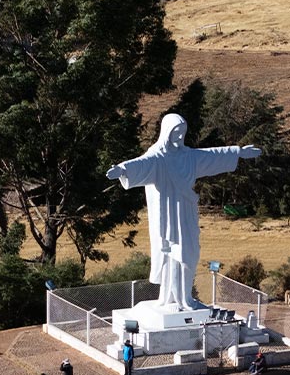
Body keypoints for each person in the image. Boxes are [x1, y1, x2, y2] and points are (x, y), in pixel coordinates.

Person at [106, 114, 261, 310]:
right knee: (172, 254)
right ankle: (171, 298)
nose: (180, 137)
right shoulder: (158, 157)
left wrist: (237, 152)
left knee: (191, 253)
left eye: (182, 133)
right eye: (176, 133)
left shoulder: (189, 157)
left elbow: (212, 155)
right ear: (166, 133)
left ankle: (185, 297)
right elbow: (141, 164)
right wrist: (122, 169)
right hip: (168, 216)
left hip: (186, 212)